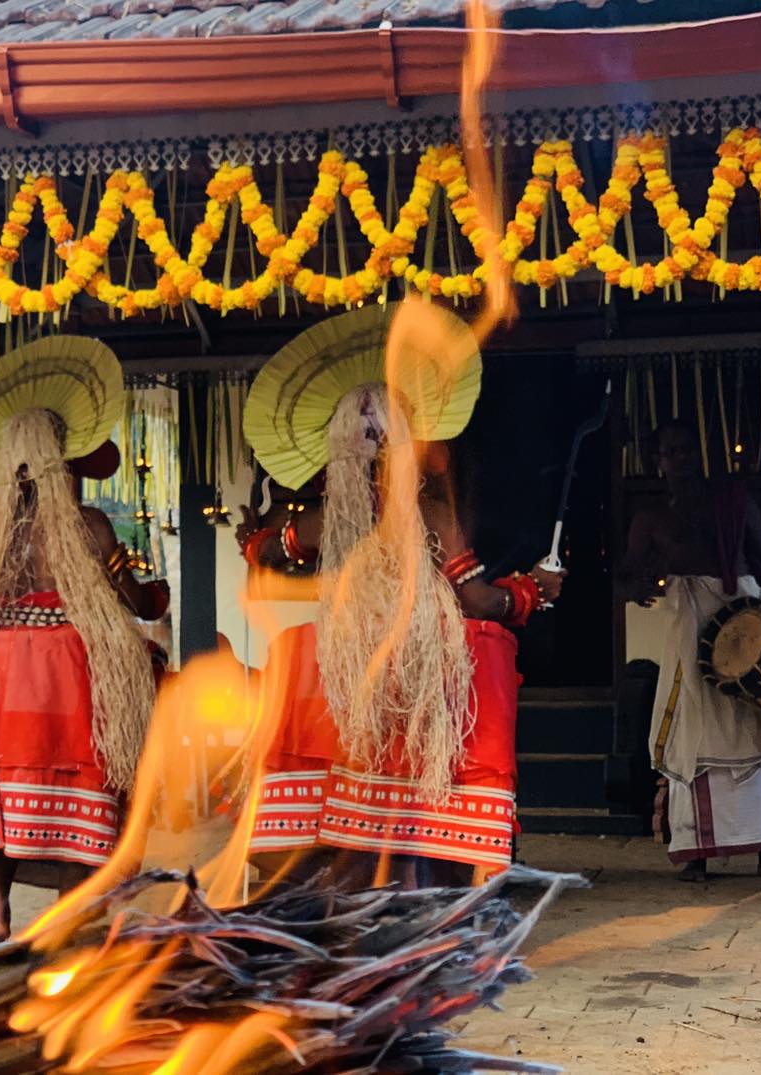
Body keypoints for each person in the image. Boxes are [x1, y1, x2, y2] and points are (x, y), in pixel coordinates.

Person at [242, 301, 564, 890]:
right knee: (414, 783)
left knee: (356, 791)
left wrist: (261, 535)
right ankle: (411, 901)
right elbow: (478, 604)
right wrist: (532, 592)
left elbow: (266, 552)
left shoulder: (321, 521)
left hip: (341, 673)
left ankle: (358, 901)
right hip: (415, 669)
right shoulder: (430, 510)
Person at [0, 339, 168, 945]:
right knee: (88, 771)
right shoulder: (91, 525)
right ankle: (67, 904)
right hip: (70, 670)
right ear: (65, 455)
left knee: (0, 781)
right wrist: (152, 599)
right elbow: (132, 604)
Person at [622, 419, 761, 881]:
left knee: (752, 727)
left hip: (742, 624)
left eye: (688, 449)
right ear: (659, 460)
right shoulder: (650, 517)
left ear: (699, 454)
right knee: (692, 733)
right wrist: (642, 586)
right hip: (689, 628)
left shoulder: (733, 502)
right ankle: (697, 853)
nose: (681, 457)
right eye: (671, 451)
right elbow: (626, 578)